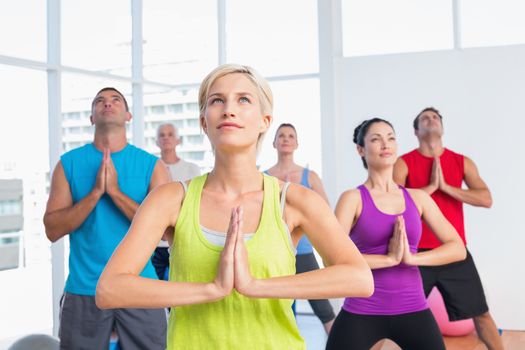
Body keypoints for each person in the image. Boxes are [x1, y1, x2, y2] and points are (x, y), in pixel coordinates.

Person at [95, 64, 373, 350]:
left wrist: (254, 286)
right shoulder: (170, 199)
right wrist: (211, 289)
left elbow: (359, 278)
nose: (229, 109)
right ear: (204, 121)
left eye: (243, 99)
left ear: (265, 121)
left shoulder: (294, 201)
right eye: (217, 100)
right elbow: (109, 289)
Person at [43, 87, 170, 350]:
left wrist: (115, 193)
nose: (107, 104)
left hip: (141, 288)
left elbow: (163, 232)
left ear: (128, 115)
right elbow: (52, 229)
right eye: (99, 100)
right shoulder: (68, 164)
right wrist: (95, 194)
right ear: (91, 117)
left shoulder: (151, 165)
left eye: (115, 100)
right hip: (84, 287)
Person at [326, 118, 466, 350]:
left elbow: (457, 248)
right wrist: (388, 259)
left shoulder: (418, 198)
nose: (385, 144)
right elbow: (333, 259)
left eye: (390, 137)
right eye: (376, 139)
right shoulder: (352, 199)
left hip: (413, 307)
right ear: (360, 149)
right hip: (362, 309)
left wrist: (412, 259)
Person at [394, 107, 503, 350]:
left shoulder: (461, 162)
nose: (431, 120)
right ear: (416, 131)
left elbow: (486, 198)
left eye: (435, 117)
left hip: (455, 252)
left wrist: (446, 187)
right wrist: (431, 188)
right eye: (425, 118)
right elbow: (393, 204)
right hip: (417, 254)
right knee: (391, 315)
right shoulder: (404, 163)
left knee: (481, 315)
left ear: (442, 128)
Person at [265, 123, 335, 334]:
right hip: (273, 252)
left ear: (297, 143)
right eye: (281, 136)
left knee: (324, 309)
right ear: (274, 142)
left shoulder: (310, 176)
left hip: (303, 252)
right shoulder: (264, 176)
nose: (286, 139)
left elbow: (325, 212)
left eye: (290, 136)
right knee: (278, 311)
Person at [152, 123, 200, 280]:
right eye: (162, 135)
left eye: (170, 134)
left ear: (178, 140)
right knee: (156, 292)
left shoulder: (191, 169)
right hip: (156, 243)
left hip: (182, 240)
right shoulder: (151, 168)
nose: (166, 138)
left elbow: (193, 203)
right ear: (156, 141)